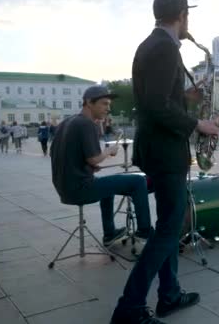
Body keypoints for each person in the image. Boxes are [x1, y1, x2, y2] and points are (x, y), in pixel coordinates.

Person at [110, 0, 219, 324]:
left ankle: (169, 294)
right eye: (188, 16)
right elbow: (157, 107)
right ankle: (129, 308)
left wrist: (186, 96)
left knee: (169, 224)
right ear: (182, 14)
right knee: (171, 228)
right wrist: (198, 122)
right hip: (165, 150)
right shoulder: (164, 48)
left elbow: (156, 99)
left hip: (157, 148)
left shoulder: (151, 45)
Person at [50, 86, 153, 247]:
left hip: (64, 189)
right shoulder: (86, 124)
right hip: (80, 189)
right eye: (104, 104)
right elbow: (94, 159)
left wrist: (86, 167)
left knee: (107, 187)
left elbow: (64, 156)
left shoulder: (67, 122)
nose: (108, 108)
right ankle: (145, 231)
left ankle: (110, 233)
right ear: (89, 103)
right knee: (138, 182)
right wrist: (108, 151)